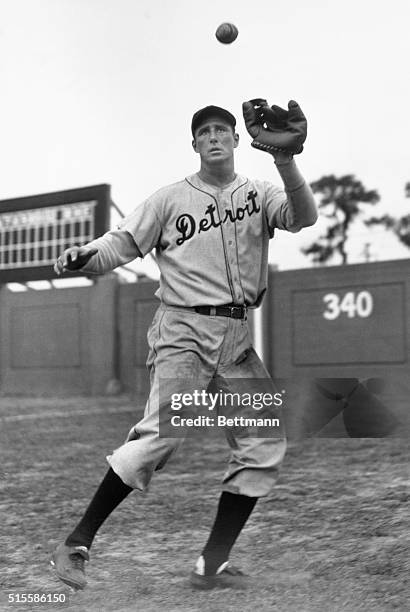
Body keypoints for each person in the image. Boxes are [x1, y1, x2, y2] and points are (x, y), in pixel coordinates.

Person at [51, 99, 318, 590]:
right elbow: (121, 242)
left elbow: (303, 217)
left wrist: (286, 160)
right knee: (164, 434)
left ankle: (210, 565)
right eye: (205, 132)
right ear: (194, 144)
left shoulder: (259, 192)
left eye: (223, 130)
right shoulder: (170, 198)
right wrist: (84, 257)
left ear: (238, 141)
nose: (214, 137)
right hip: (183, 333)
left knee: (263, 442)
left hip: (236, 340)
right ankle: (76, 543)